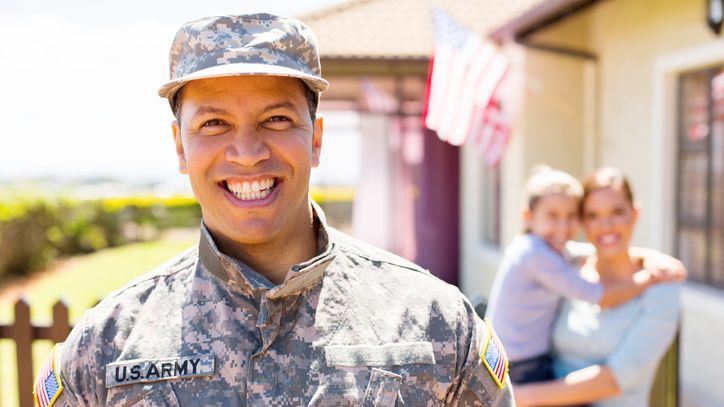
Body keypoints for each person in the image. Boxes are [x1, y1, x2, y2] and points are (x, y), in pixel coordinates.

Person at [32, 13, 515, 406]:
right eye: (214, 123)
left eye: (277, 119)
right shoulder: (104, 351)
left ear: (316, 139)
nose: (247, 152)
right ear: (180, 147)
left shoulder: (438, 325)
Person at [485, 166, 682, 385]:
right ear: (527, 216)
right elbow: (601, 296)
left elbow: (596, 249)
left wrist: (650, 256)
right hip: (518, 366)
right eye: (553, 216)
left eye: (571, 216)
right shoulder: (536, 255)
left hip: (523, 362)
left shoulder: (548, 251)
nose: (563, 226)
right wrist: (649, 277)